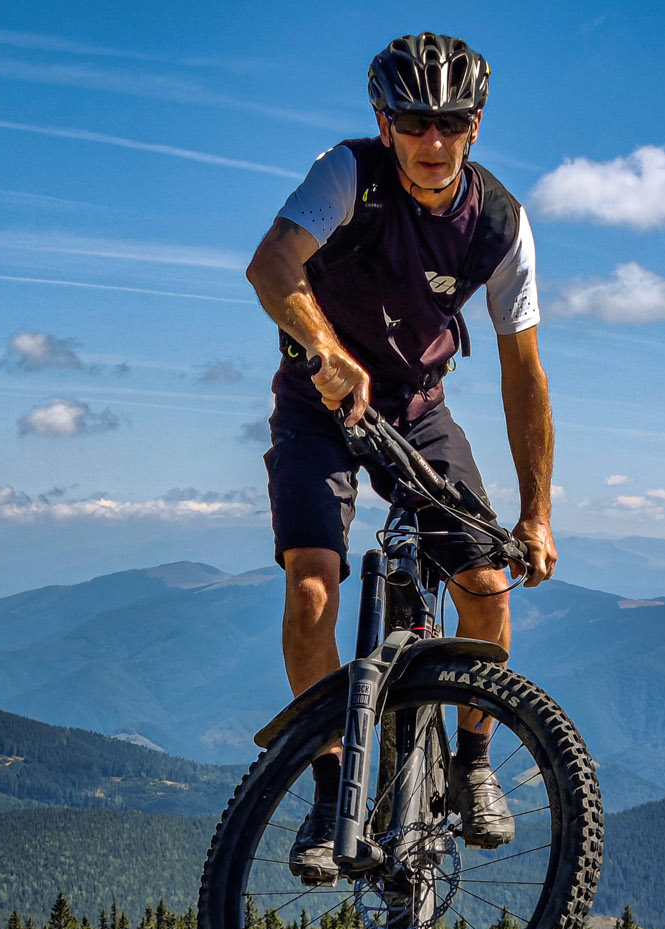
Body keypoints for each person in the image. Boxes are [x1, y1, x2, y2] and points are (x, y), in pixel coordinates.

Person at [245, 32, 556, 884]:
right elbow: (272, 265)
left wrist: (536, 513)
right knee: (313, 587)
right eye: (414, 122)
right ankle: (329, 790)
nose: (433, 140)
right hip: (318, 404)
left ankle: (472, 763)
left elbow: (523, 374)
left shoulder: (500, 223)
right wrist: (324, 352)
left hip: (419, 409)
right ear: (386, 123)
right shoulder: (349, 174)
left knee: (486, 587)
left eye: (451, 123)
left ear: (475, 127)